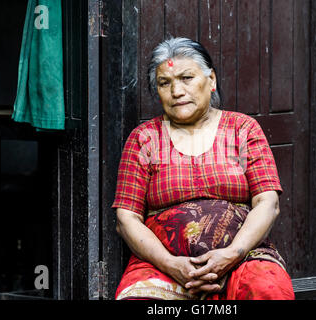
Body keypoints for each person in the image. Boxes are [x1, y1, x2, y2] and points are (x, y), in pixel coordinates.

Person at [112, 37, 295, 300]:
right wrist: (171, 265)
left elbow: (268, 203)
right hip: (163, 263)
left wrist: (231, 255)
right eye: (165, 83)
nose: (176, 91)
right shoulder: (144, 138)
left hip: (242, 257)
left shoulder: (242, 129)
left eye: (187, 78)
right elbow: (126, 219)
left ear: (211, 81)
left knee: (267, 291)